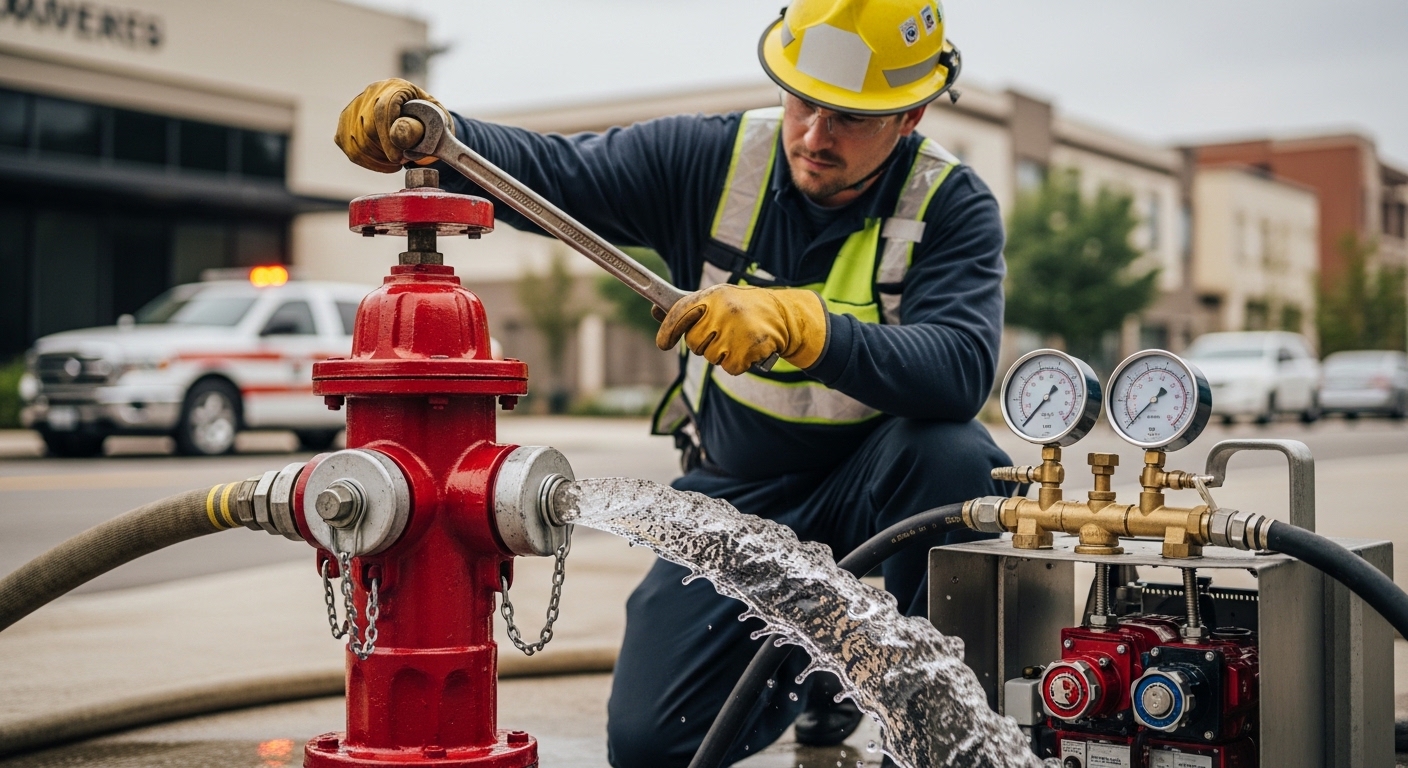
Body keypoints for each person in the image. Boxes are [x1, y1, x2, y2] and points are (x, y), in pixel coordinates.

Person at [336, 1, 1012, 764]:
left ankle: (933, 735)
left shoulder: (951, 204)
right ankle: (822, 661)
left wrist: (808, 327)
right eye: (804, 101)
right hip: (741, 495)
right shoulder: (716, 159)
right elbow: (560, 175)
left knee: (958, 460)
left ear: (909, 115)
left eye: (849, 119)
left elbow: (958, 370)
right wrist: (442, 133)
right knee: (653, 745)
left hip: (877, 490)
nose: (816, 136)